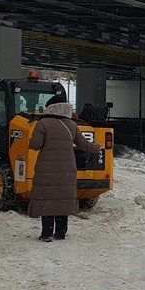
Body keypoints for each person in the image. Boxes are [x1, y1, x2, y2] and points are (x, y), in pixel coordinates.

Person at [27, 95, 101, 242]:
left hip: (47, 166)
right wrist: (97, 148)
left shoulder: (43, 123)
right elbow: (83, 145)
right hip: (67, 167)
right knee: (63, 198)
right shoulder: (72, 125)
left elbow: (35, 145)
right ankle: (60, 233)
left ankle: (46, 234)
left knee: (47, 197)